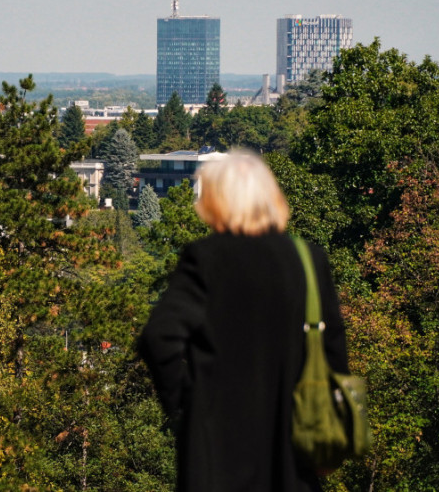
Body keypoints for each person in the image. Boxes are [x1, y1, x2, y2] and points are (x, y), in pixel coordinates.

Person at [138, 149, 349, 491]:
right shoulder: (309, 261)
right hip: (294, 449)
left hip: (216, 451)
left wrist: (186, 405)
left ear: (215, 201)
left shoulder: (205, 258)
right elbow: (334, 353)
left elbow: (159, 337)